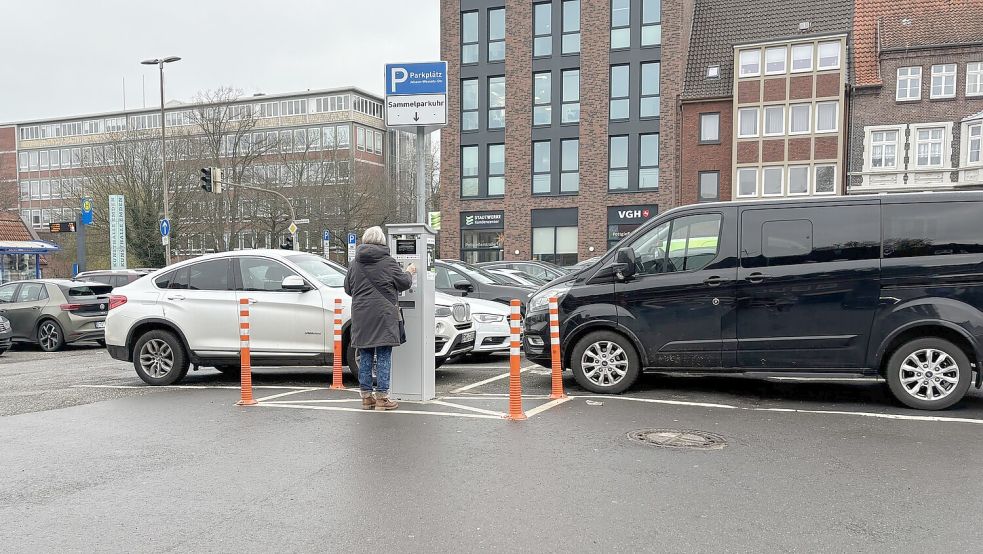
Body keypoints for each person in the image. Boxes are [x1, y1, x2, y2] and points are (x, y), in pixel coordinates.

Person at [344, 226, 416, 410]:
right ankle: (383, 398)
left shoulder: (355, 263)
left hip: (361, 314)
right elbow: (404, 283)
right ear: (382, 241)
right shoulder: (388, 262)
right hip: (383, 315)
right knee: (383, 354)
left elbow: (348, 289)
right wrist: (410, 271)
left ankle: (366, 397)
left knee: (366, 353)